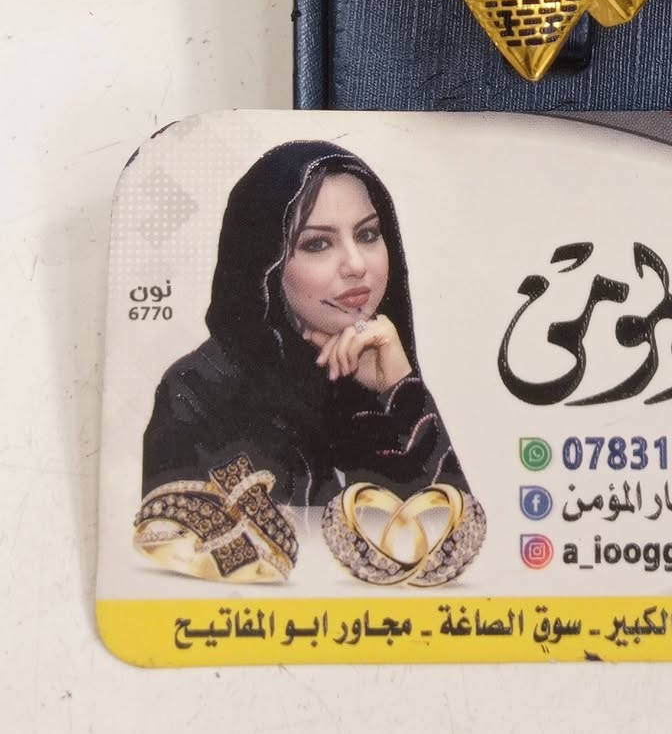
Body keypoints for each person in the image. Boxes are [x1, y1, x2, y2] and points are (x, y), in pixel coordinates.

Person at [142, 140, 468, 505]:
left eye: (367, 235)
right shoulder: (198, 393)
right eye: (317, 244)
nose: (356, 265)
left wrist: (400, 391)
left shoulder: (380, 368)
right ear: (266, 263)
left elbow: (454, 532)